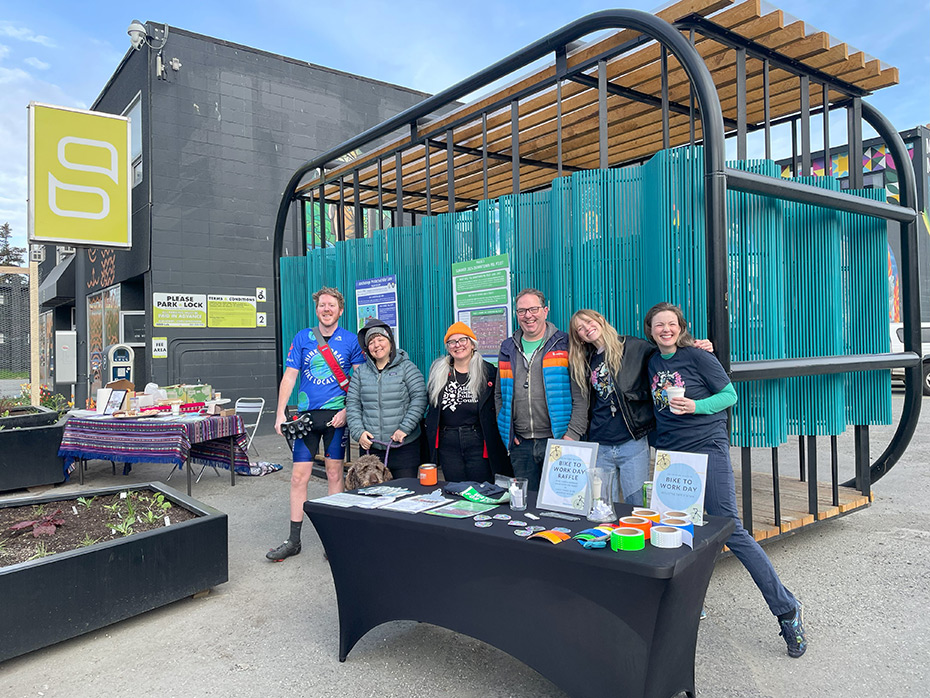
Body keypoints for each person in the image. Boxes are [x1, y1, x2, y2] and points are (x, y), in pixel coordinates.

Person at [644, 302, 807, 658]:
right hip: (672, 456)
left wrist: (696, 407)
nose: (666, 330)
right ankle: (683, 608)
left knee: (731, 528)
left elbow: (729, 395)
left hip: (707, 447)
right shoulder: (652, 361)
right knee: (674, 529)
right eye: (659, 325)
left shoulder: (698, 357)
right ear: (650, 330)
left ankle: (787, 611)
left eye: (671, 324)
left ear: (680, 326)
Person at [568, 309, 714, 506]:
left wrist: (695, 345)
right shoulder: (584, 361)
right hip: (600, 443)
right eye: (580, 328)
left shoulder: (634, 346)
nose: (587, 328)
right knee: (603, 505)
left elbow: (668, 351)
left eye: (589, 322)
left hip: (632, 441)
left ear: (601, 320)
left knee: (636, 505)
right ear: (579, 337)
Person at [268, 287, 364, 562]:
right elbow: (289, 377)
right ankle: (294, 540)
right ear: (317, 309)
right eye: (322, 305)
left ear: (340, 310)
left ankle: (333, 538)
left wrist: (348, 410)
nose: (326, 309)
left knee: (334, 475)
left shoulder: (350, 341)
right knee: (299, 477)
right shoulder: (303, 338)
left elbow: (357, 381)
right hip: (307, 418)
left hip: (337, 418)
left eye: (331, 305)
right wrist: (280, 413)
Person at [495, 288, 586, 490]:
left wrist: (571, 435)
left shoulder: (565, 343)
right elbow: (500, 395)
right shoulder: (507, 347)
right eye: (522, 311)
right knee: (527, 506)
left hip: (558, 440)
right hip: (521, 444)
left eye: (533, 309)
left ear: (546, 310)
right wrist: (507, 434)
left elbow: (580, 395)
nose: (528, 315)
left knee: (561, 502)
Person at [425, 322, 510, 482]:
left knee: (481, 490)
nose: (458, 345)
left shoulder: (489, 373)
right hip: (447, 442)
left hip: (478, 440)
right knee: (455, 491)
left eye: (463, 340)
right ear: (448, 347)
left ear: (472, 344)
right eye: (452, 342)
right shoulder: (438, 374)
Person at [346, 319, 427, 479]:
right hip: (371, 450)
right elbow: (353, 404)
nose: (376, 345)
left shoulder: (407, 367)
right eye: (371, 342)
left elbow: (419, 398)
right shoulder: (360, 373)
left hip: (404, 446)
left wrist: (405, 428)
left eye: (380, 339)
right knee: (373, 496)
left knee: (405, 494)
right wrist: (358, 432)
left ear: (390, 341)